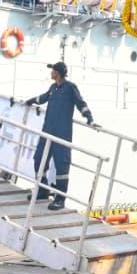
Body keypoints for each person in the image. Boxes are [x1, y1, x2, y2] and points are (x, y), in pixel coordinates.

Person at [24, 61, 94, 210]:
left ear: (58, 72)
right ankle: (43, 190)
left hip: (62, 135)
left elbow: (80, 103)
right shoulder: (53, 87)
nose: (50, 73)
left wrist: (89, 117)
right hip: (47, 132)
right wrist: (31, 101)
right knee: (39, 160)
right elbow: (43, 98)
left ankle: (60, 199)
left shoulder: (70, 88)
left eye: (52, 70)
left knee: (62, 166)